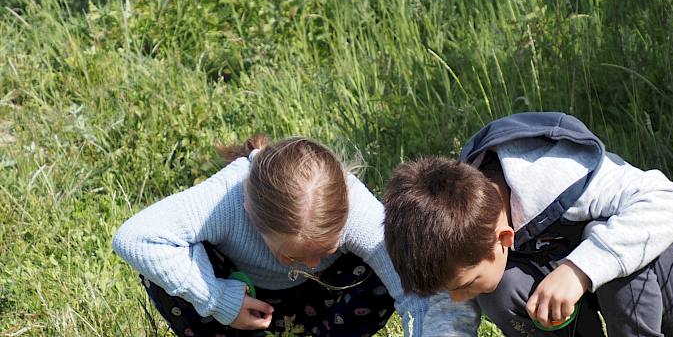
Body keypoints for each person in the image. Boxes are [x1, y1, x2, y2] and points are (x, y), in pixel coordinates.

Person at [383, 112, 673, 336]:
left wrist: (580, 269)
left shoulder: (556, 175)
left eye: (464, 284)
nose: (458, 299)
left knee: (605, 236)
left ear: (503, 237)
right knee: (500, 288)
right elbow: (454, 300)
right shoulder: (458, 223)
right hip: (583, 279)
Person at [113, 135, 478, 337]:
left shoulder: (356, 209)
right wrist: (218, 301)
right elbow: (136, 237)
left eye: (326, 249)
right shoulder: (223, 200)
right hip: (245, 304)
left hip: (327, 306)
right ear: (250, 215)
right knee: (161, 268)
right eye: (292, 255)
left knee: (402, 263)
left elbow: (419, 293)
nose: (312, 264)